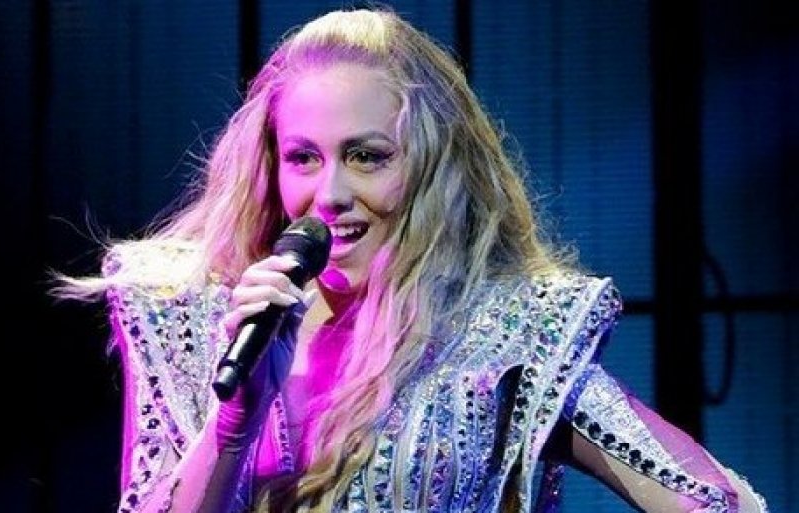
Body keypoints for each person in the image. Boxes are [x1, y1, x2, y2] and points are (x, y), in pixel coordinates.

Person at [53, 7, 769, 513]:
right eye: (303, 157)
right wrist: (235, 422)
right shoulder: (193, 319)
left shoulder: (505, 337)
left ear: (430, 168)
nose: (330, 194)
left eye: (367, 157)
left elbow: (717, 501)